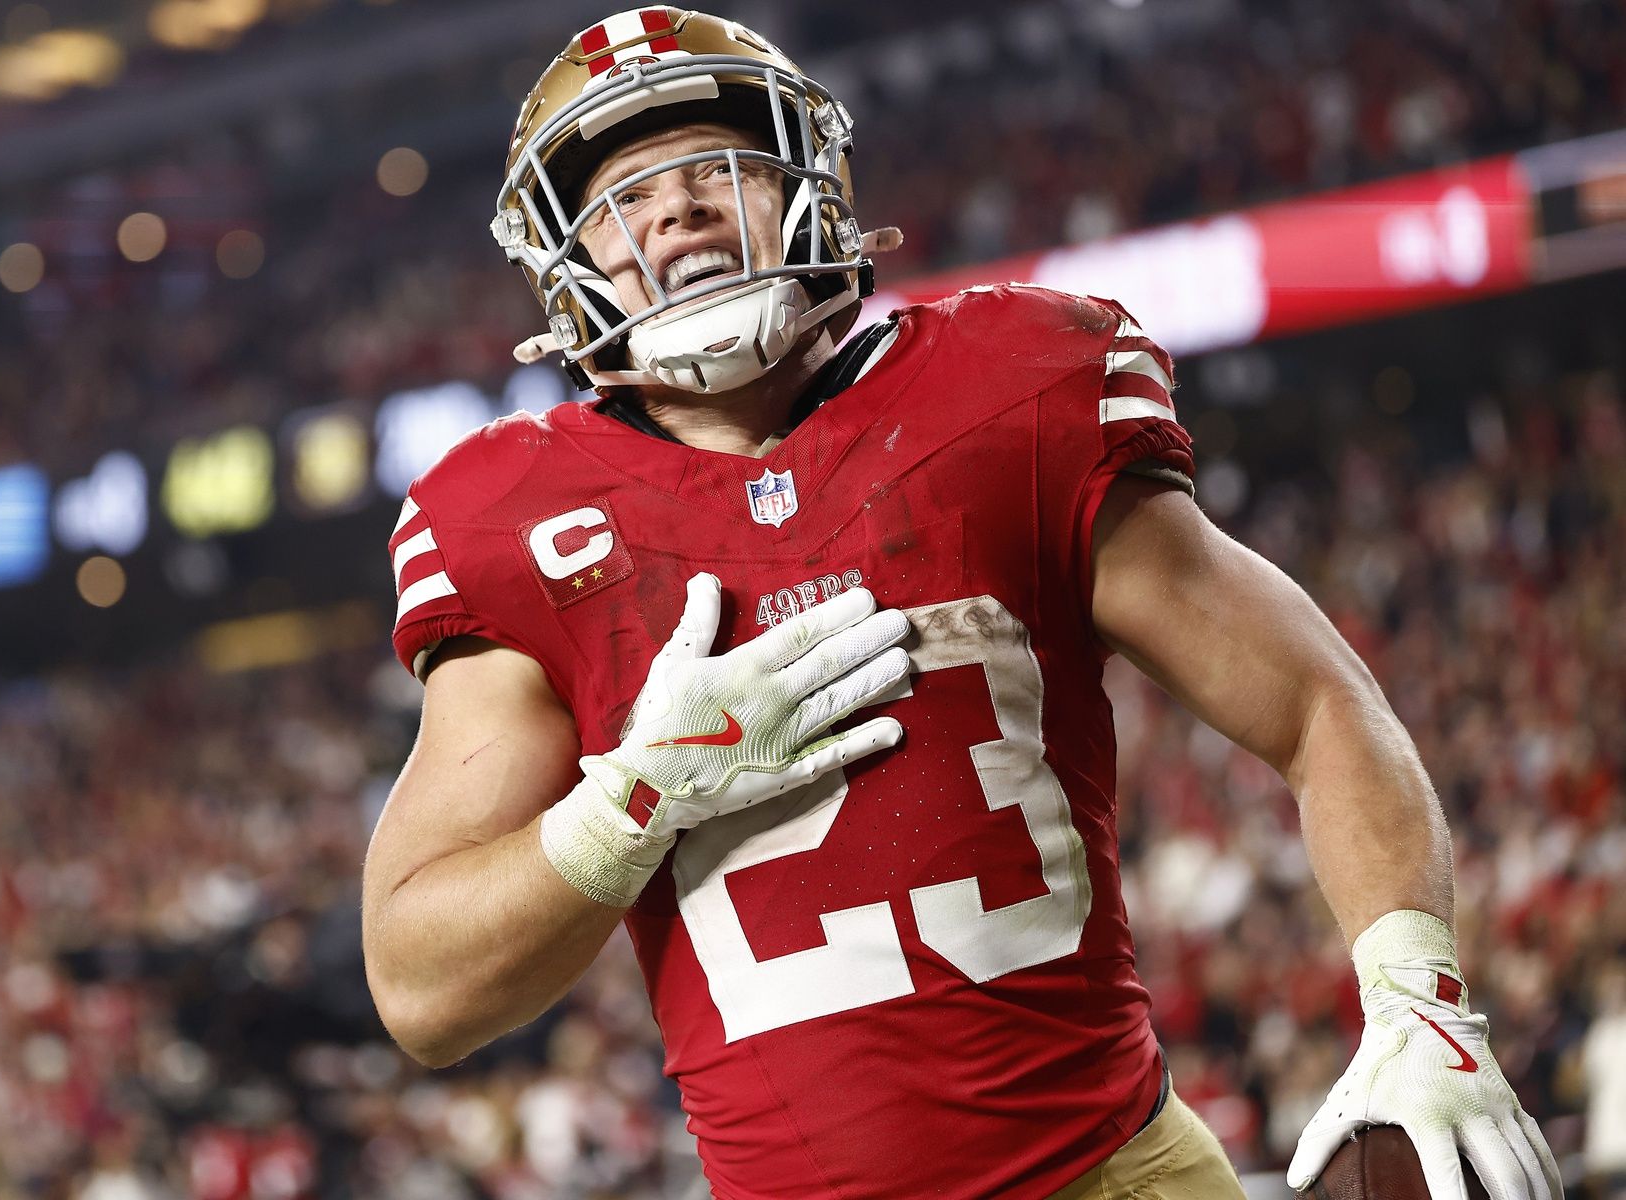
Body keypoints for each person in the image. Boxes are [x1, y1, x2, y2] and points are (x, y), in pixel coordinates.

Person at [360, 9, 1562, 1199]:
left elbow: (1316, 701)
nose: (673, 209)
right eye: (624, 197)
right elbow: (422, 992)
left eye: (714, 171)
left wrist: (1420, 997)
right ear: (566, 263)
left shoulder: (1005, 393)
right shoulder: (513, 521)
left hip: (1119, 1170)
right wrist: (632, 799)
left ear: (807, 189)